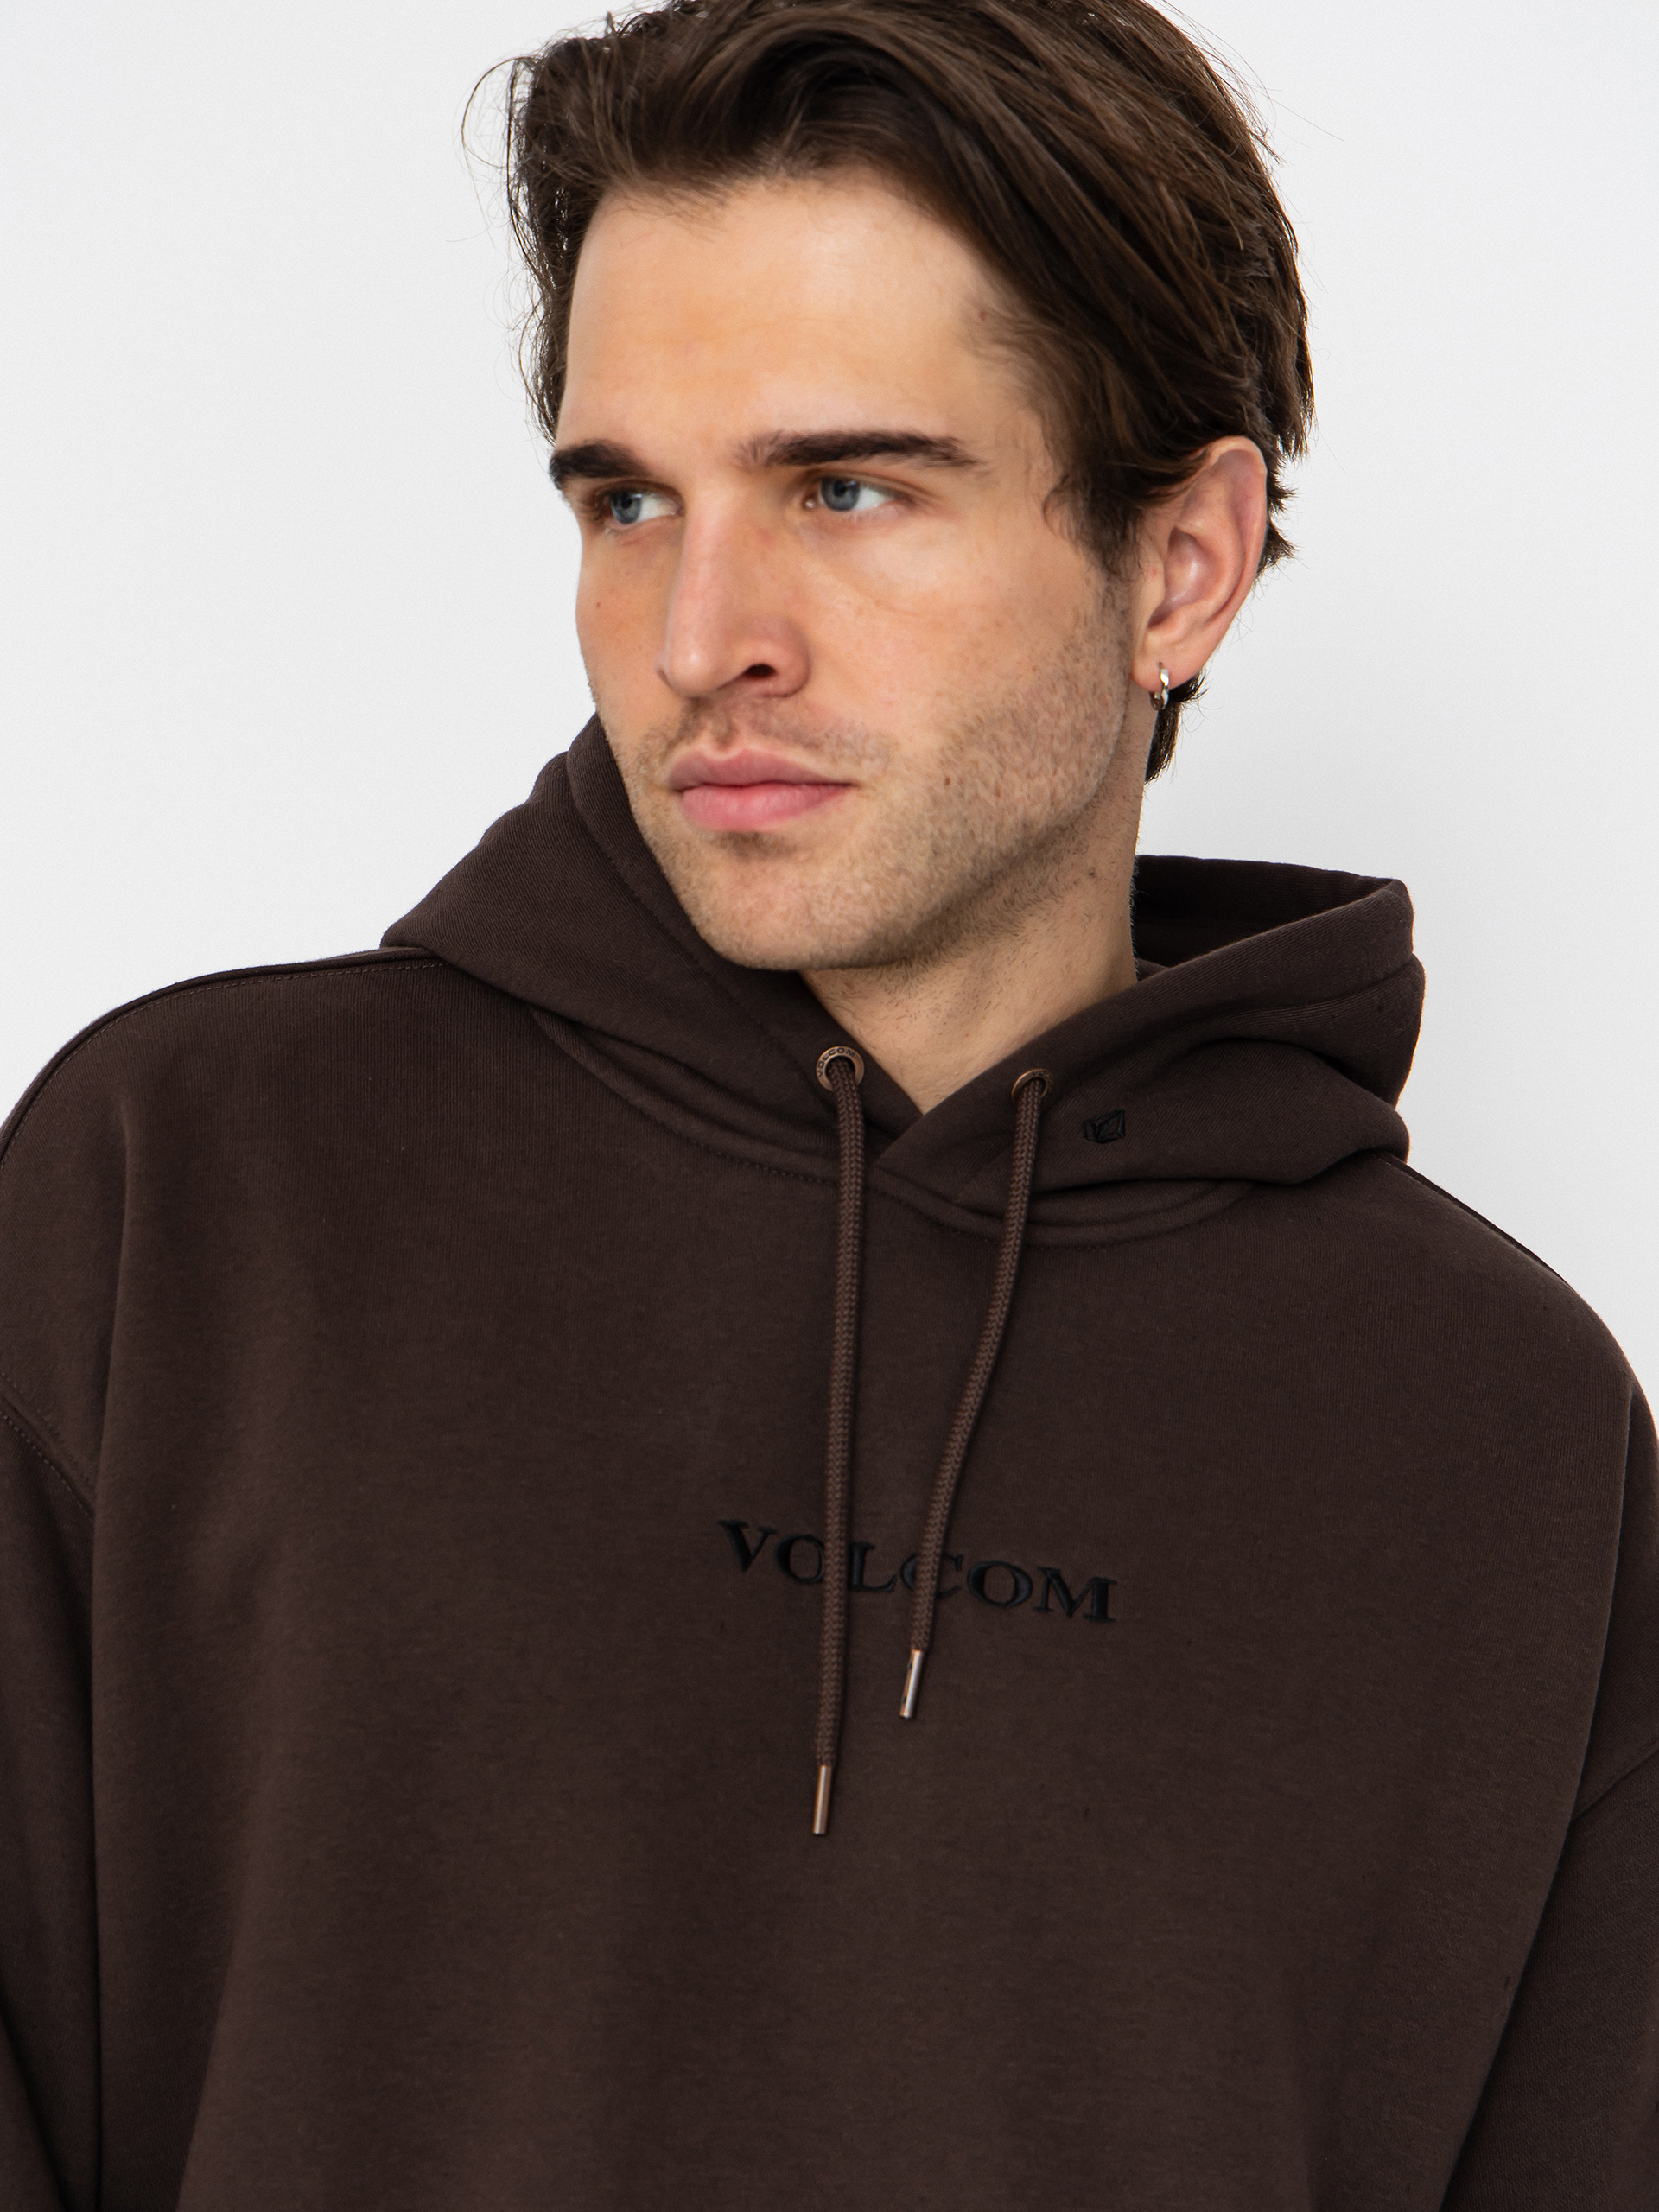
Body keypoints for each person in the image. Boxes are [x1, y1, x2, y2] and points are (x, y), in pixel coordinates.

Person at [1, 0, 1652, 2202]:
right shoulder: (187, 1192)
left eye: (846, 487)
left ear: (1181, 563)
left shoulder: (1499, 1429)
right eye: (628, 499)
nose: (701, 636)